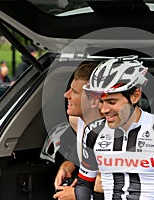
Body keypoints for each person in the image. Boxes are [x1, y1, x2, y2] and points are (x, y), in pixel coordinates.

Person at [75, 56, 154, 200]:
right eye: (101, 101)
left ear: (135, 96)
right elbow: (84, 184)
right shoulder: (93, 132)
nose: (103, 110)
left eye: (111, 102)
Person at [53, 62, 104, 200]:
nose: (66, 95)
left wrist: (78, 193)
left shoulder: (116, 135)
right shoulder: (76, 121)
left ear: (94, 100)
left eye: (75, 92)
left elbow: (124, 184)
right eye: (70, 89)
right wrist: (69, 165)